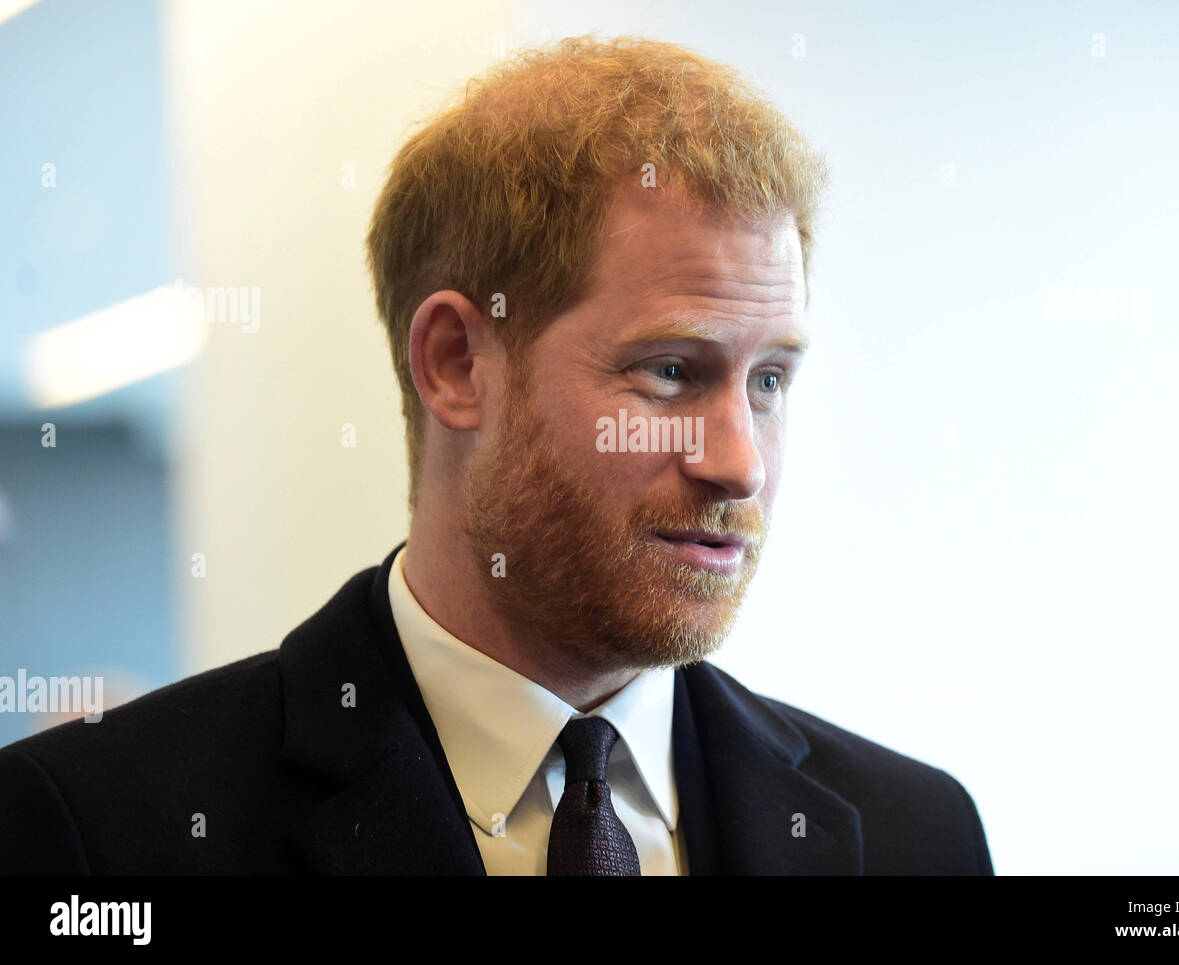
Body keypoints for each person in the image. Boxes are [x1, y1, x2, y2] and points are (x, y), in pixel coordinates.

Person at [0, 34, 992, 875]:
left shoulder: (913, 834)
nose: (740, 462)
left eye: (769, 380)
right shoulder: (98, 830)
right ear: (456, 363)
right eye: (670, 372)